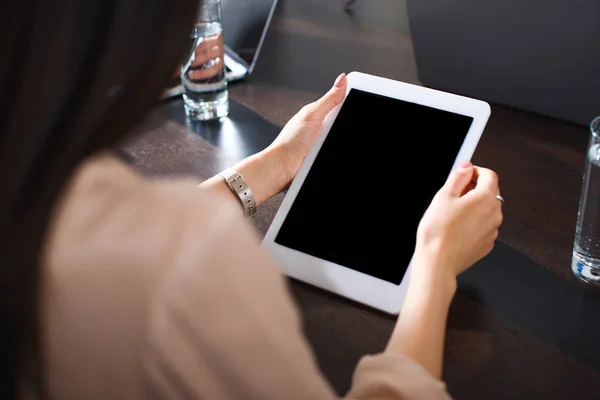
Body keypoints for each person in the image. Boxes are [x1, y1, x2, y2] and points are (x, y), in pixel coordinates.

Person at [0, 0, 503, 399]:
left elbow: (118, 233)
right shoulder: (177, 268)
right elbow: (157, 259)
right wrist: (435, 264)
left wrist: (275, 165)